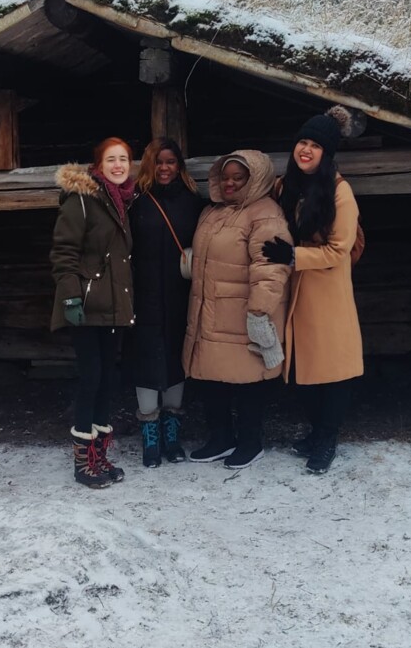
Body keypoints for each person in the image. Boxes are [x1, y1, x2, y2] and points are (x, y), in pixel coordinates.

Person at [262, 106, 364, 474]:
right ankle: (315, 431)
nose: (305, 149)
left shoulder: (341, 193)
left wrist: (292, 256)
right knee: (302, 368)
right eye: (302, 142)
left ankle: (326, 439)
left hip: (326, 291)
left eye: (315, 145)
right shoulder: (285, 184)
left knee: (331, 371)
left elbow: (338, 248)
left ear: (327, 153)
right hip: (295, 288)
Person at [182, 150, 292, 469]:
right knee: (211, 378)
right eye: (225, 177)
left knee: (248, 381)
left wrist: (260, 311)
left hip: (244, 313)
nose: (229, 183)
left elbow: (271, 265)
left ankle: (250, 442)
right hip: (209, 310)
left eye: (238, 177)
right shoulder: (212, 212)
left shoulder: (266, 214)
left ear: (255, 178)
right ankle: (220, 438)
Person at [50, 137, 136, 489]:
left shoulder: (121, 201)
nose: (118, 165)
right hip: (86, 307)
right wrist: (71, 298)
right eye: (111, 160)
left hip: (113, 307)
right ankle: (82, 464)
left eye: (124, 160)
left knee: (107, 382)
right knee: (91, 381)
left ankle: (99, 457)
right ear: (98, 166)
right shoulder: (82, 200)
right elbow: (63, 252)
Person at [128, 138, 205, 468]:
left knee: (177, 358)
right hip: (142, 296)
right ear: (148, 164)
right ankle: (150, 437)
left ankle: (171, 435)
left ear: (179, 165)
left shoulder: (193, 202)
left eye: (170, 161)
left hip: (179, 294)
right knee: (145, 361)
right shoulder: (136, 202)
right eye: (158, 162)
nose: (164, 168)